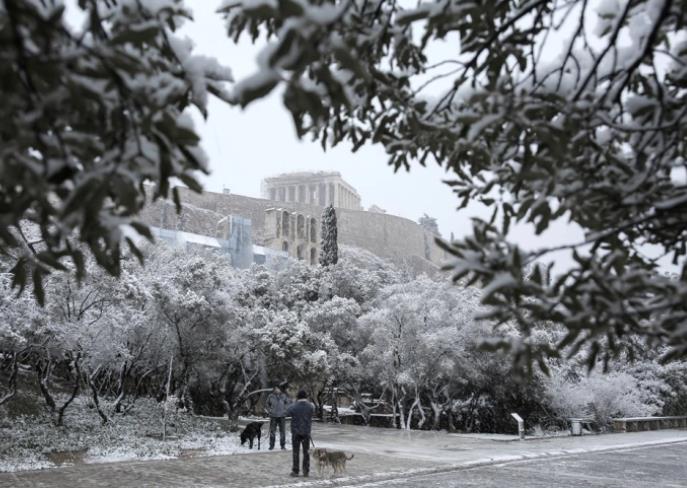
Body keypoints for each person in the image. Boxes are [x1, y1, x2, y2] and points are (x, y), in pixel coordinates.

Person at [286, 389, 314, 477]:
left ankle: (296, 470)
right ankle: (306, 470)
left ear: (298, 397)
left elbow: (287, 412)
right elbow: (312, 413)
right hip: (306, 432)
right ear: (306, 397)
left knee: (296, 452)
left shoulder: (294, 406)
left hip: (296, 432)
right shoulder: (310, 406)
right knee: (306, 452)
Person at [265, 385, 290, 450]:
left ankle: (282, 445)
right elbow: (267, 404)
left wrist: (285, 411)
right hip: (273, 416)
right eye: (275, 389)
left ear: (280, 389)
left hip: (282, 416)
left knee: (282, 432)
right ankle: (271, 445)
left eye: (278, 389)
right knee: (272, 431)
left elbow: (288, 403)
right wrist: (269, 410)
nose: (276, 390)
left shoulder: (283, 396)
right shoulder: (270, 396)